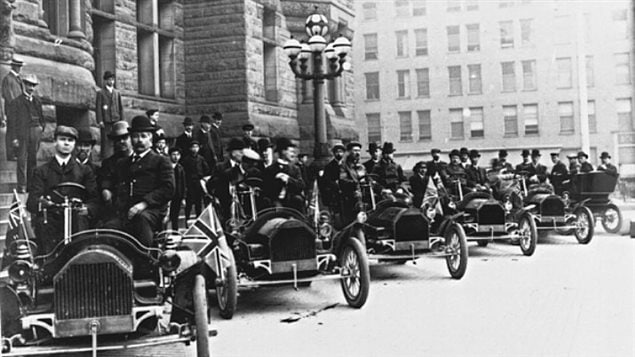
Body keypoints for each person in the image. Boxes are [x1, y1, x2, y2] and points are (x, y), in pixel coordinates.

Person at [102, 115, 175, 246]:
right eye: (135, 136)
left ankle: (146, 261)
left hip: (151, 211)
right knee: (107, 229)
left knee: (141, 220)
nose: (139, 140)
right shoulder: (122, 163)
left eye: (144, 136)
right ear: (131, 138)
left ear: (150, 139)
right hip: (126, 211)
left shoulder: (161, 161)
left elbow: (168, 188)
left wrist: (143, 204)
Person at [26, 126, 97, 254]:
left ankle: (80, 261)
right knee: (43, 224)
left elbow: (94, 199)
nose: (66, 143)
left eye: (70, 140)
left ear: (74, 144)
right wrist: (43, 203)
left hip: (76, 218)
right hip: (52, 219)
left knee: (81, 222)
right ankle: (48, 263)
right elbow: (31, 202)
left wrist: (87, 208)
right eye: (62, 139)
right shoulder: (41, 171)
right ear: (54, 142)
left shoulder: (85, 171)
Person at [6, 73, 45, 193]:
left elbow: (41, 117)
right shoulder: (16, 102)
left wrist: (41, 128)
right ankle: (21, 186)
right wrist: (14, 138)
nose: (31, 88)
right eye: (29, 85)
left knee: (33, 160)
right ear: (24, 85)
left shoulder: (37, 101)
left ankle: (30, 185)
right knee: (22, 160)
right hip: (22, 134)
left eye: (33, 85)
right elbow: (12, 123)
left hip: (35, 132)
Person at [97, 121, 132, 223]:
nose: (121, 142)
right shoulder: (109, 163)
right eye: (117, 139)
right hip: (116, 206)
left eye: (125, 138)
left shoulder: (139, 159)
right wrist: (105, 190)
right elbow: (105, 180)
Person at [207, 138, 246, 221]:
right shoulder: (220, 167)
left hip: (242, 203)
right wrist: (224, 176)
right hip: (224, 204)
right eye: (240, 152)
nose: (243, 155)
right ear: (233, 153)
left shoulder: (245, 167)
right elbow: (210, 185)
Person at [262, 138, 305, 213]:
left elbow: (301, 185)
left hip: (292, 204)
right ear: (283, 151)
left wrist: (288, 179)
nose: (293, 154)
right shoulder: (270, 170)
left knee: (298, 200)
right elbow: (266, 189)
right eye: (291, 151)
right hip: (275, 202)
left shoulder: (295, 169)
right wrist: (276, 180)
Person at [95, 71, 123, 158]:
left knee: (117, 139)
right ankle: (106, 158)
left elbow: (121, 107)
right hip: (106, 120)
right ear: (105, 81)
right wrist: (100, 120)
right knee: (106, 141)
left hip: (116, 120)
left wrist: (122, 120)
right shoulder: (101, 92)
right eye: (109, 80)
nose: (111, 82)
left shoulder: (117, 93)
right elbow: (98, 107)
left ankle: (117, 157)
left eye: (112, 80)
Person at [181, 140, 210, 222]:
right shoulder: (186, 159)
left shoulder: (201, 159)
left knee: (198, 202)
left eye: (196, 147)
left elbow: (206, 169)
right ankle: (187, 218)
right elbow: (183, 171)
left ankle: (199, 218)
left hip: (198, 182)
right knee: (189, 202)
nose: (194, 149)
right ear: (190, 148)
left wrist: (202, 177)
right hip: (189, 182)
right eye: (193, 147)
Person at [337, 142, 367, 223]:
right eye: (355, 150)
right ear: (350, 152)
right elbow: (343, 180)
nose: (357, 153)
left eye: (359, 151)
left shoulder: (361, 166)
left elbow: (367, 178)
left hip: (363, 193)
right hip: (350, 195)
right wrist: (356, 183)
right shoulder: (344, 166)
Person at [1, 56, 24, 129]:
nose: (20, 68)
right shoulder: (8, 79)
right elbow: (9, 97)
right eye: (18, 66)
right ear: (13, 66)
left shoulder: (19, 78)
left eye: (20, 66)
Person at [322, 143, 346, 208]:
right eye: (337, 152)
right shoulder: (329, 166)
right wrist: (335, 184)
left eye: (340, 152)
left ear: (343, 153)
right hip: (334, 192)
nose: (339, 154)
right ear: (334, 153)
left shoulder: (347, 165)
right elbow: (326, 180)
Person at [168, 147, 186, 230]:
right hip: (167, 195)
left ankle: (175, 231)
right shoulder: (166, 167)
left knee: (175, 215)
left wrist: (183, 197)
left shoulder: (180, 168)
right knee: (166, 216)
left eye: (178, 155)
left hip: (177, 195)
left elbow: (183, 183)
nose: (176, 157)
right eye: (174, 154)